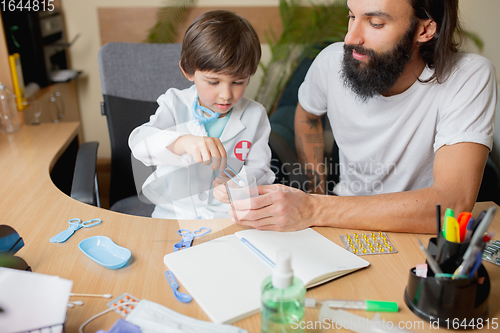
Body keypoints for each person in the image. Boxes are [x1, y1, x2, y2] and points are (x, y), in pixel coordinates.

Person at [229, 0, 497, 233]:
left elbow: (451, 203)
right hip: (340, 221)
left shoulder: (468, 77)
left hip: (418, 231)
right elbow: (307, 117)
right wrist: (317, 187)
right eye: (351, 16)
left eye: (376, 23)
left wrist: (314, 208)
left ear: (425, 29)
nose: (350, 38)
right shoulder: (329, 62)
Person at [129, 10, 275, 219]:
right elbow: (140, 143)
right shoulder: (174, 103)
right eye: (213, 82)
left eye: (238, 82)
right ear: (188, 71)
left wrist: (239, 185)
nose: (226, 94)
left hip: (227, 215)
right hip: (173, 215)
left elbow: (261, 170)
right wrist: (182, 142)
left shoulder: (255, 115)